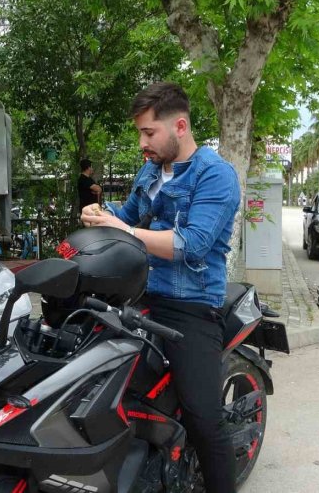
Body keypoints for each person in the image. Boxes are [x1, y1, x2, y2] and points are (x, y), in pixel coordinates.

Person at [81, 82, 241, 493]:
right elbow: (131, 214)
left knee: (204, 417)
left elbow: (192, 244)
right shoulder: (152, 170)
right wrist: (104, 213)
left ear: (180, 126)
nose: (142, 143)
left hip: (189, 303)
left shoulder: (215, 175)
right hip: (138, 292)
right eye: (139, 133)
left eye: (148, 133)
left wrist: (123, 228)